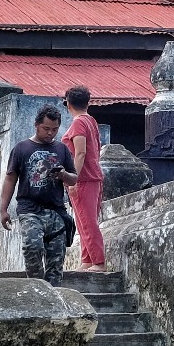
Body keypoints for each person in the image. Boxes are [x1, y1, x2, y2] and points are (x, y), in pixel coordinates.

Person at [0, 105, 78, 286]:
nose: (50, 133)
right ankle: (36, 286)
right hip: (29, 208)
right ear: (36, 125)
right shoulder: (21, 148)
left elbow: (74, 178)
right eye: (46, 129)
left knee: (56, 261)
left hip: (56, 211)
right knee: (32, 247)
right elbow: (10, 179)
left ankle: (54, 294)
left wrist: (63, 175)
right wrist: (3, 209)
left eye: (54, 130)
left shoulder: (62, 149)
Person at [61, 86, 106, 270]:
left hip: (84, 177)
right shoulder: (91, 121)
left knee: (87, 221)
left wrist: (73, 179)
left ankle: (98, 261)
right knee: (84, 221)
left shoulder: (78, 123)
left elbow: (80, 153)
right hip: (93, 175)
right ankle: (87, 259)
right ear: (88, 103)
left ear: (68, 104)